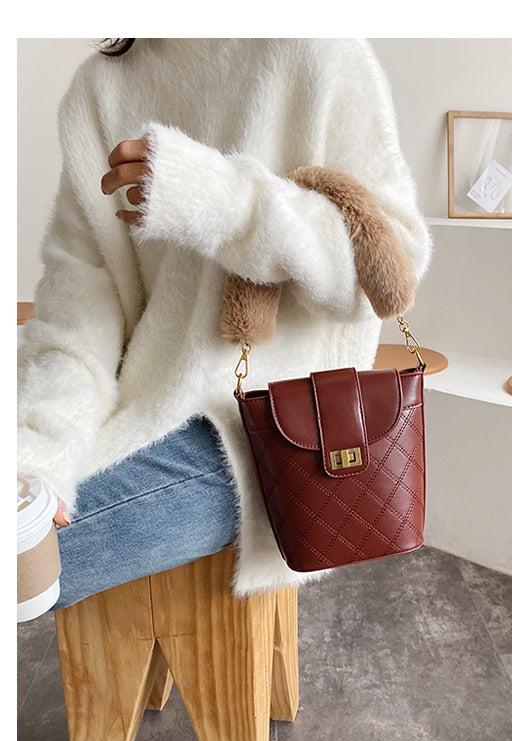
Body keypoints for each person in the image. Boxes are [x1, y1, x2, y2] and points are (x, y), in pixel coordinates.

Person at [17, 38, 431, 608]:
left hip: (259, 436)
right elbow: (75, 323)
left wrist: (226, 203)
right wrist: (38, 456)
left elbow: (390, 270)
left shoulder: (318, 50)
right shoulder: (98, 88)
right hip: (131, 410)